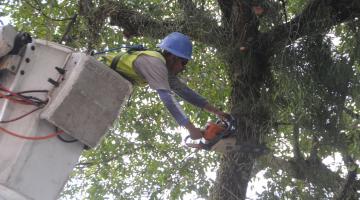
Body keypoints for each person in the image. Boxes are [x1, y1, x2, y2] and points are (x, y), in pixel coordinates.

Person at [101, 32, 229, 139]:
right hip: (96, 72)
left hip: (104, 79)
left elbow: (184, 91)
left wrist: (216, 111)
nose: (182, 68)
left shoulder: (160, 65)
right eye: (183, 62)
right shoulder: (155, 64)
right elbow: (167, 98)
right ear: (173, 57)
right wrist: (190, 128)